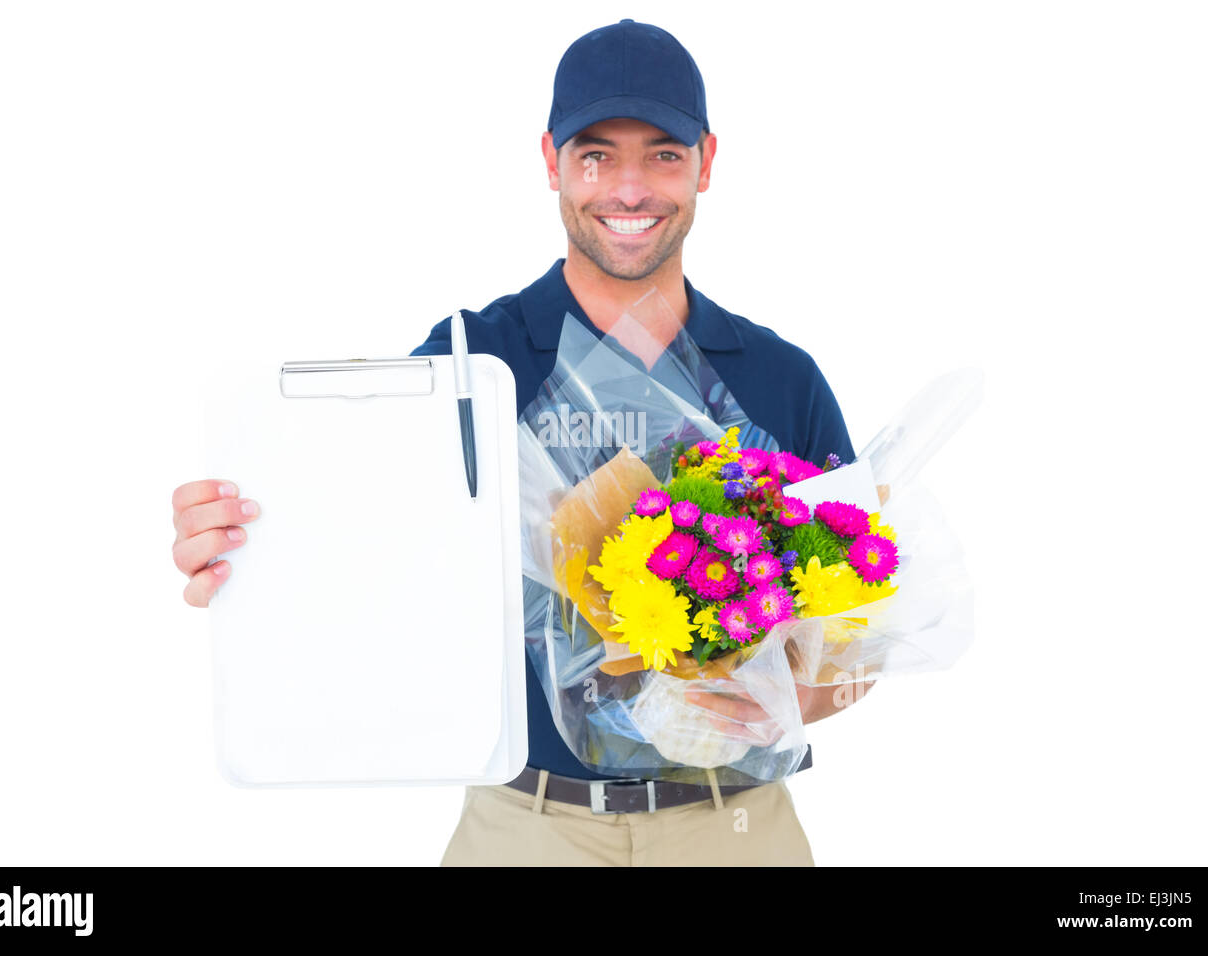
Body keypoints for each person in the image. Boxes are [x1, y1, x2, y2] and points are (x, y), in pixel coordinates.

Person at [172, 19, 873, 866]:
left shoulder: (779, 378)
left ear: (706, 162)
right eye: (595, 155)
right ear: (550, 162)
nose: (628, 188)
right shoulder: (471, 362)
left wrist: (781, 696)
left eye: (662, 153)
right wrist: (250, 551)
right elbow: (367, 547)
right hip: (526, 828)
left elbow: (860, 640)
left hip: (734, 826)